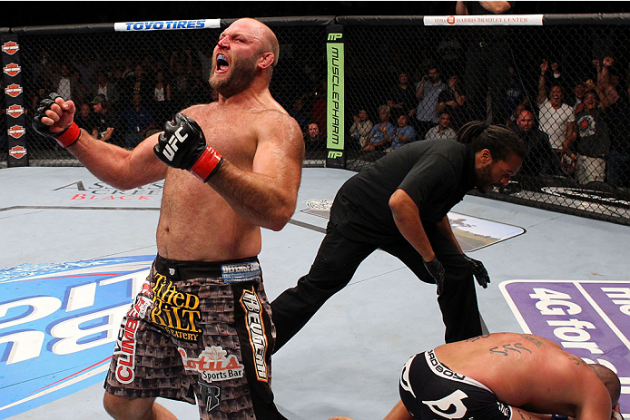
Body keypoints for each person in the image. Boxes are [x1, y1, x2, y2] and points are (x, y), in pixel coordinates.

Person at [32, 17, 304, 420]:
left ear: (265, 59)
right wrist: (70, 134)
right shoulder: (194, 115)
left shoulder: (276, 125)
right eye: (221, 37)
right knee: (122, 404)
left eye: (238, 39)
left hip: (222, 292)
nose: (222, 43)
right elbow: (125, 169)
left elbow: (277, 209)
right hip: (162, 283)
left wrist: (204, 161)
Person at [271, 121, 526, 351]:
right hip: (360, 214)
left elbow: (437, 214)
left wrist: (459, 256)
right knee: (319, 286)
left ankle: (465, 353)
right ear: (485, 157)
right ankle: (254, 344)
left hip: (400, 221)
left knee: (456, 271)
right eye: (506, 173)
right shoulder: (448, 160)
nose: (505, 181)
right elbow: (401, 203)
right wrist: (429, 259)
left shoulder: (465, 172)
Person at [330, 332, 623, 420]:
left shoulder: (548, 350)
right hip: (459, 394)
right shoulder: (595, 392)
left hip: (416, 369)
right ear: (613, 406)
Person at [537, 61, 577, 171]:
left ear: (562, 95)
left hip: (559, 150)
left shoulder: (568, 109)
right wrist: (543, 73)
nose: (556, 94)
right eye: (553, 91)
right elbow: (541, 89)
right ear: (550, 94)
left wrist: (566, 146)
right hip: (543, 148)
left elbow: (570, 131)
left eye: (558, 92)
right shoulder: (544, 104)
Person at [564, 90, 610, 185]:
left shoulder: (600, 113)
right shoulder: (579, 116)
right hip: (582, 155)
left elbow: (606, 103)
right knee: (581, 185)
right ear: (583, 101)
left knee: (595, 186)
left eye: (593, 98)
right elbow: (575, 134)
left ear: (597, 101)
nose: (590, 100)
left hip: (596, 157)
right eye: (587, 98)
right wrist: (568, 141)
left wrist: (595, 87)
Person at [510, 109, 558, 190]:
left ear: (533, 121)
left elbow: (547, 158)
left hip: (533, 175)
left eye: (529, 121)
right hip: (514, 173)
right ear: (518, 121)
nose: (526, 124)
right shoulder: (511, 135)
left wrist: (542, 175)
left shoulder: (541, 137)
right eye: (523, 120)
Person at [414, 66, 447, 138]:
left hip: (434, 118)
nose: (432, 75)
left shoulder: (443, 86)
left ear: (438, 74)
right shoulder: (422, 84)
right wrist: (423, 83)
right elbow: (418, 96)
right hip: (422, 117)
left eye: (434, 73)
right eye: (430, 73)